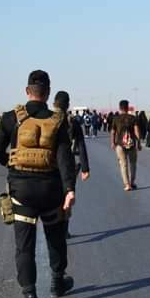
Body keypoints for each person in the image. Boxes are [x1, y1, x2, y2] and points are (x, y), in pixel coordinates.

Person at [0, 70, 77, 298]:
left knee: (24, 247)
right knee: (56, 238)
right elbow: (64, 158)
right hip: (51, 191)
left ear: (27, 91)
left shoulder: (10, 118)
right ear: (48, 93)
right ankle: (57, 283)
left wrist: (13, 164)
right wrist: (69, 189)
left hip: (22, 193)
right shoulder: (58, 120)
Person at [53, 91, 90, 240]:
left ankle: (54, 228)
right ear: (67, 105)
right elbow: (81, 145)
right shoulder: (72, 122)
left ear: (54, 103)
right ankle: (64, 229)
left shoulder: (48, 119)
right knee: (67, 195)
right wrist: (86, 168)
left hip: (51, 164)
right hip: (70, 164)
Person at [111, 100, 142, 191]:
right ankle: (132, 182)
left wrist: (112, 142)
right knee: (133, 164)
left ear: (120, 108)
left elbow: (113, 132)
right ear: (128, 107)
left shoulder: (116, 119)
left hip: (120, 145)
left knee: (123, 164)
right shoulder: (133, 118)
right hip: (131, 144)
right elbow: (137, 132)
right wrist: (139, 143)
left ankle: (127, 184)